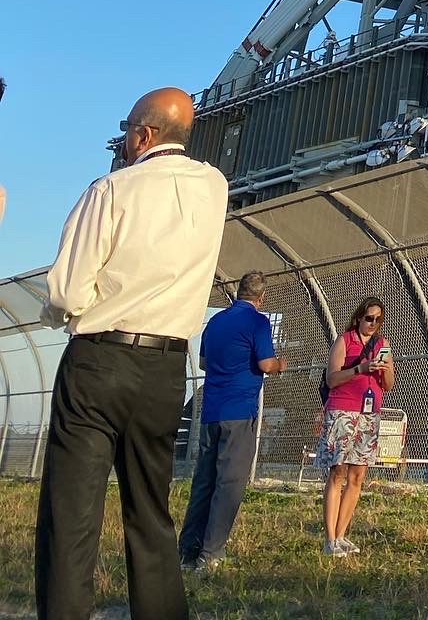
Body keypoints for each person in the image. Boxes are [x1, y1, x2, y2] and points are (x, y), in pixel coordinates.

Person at [35, 86, 228, 620]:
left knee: (71, 515)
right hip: (166, 368)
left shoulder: (110, 190)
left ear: (143, 134)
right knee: (150, 512)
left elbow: (68, 292)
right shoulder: (214, 187)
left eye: (126, 130)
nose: (121, 141)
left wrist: (67, 315)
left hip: (99, 361)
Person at [177, 270, 287, 571]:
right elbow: (265, 363)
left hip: (212, 409)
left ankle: (187, 550)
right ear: (261, 298)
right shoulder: (258, 322)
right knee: (230, 483)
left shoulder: (216, 322)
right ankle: (211, 553)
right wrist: (280, 364)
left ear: (238, 292)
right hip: (239, 411)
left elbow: (203, 361)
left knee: (204, 480)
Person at [318, 297, 395, 555]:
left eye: (378, 319)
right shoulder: (345, 340)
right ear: (359, 317)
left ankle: (341, 535)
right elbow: (332, 378)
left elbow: (388, 384)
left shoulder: (382, 345)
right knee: (337, 471)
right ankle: (329, 538)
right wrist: (360, 368)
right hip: (342, 411)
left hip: (369, 413)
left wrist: (383, 368)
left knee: (357, 475)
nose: (373, 323)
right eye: (369, 318)